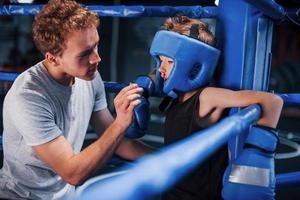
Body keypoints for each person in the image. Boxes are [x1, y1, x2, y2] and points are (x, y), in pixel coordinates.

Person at [0, 0, 152, 199]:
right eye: (85, 53)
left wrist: (173, 157)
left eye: (95, 46)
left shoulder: (89, 77)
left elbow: (116, 141)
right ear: (53, 58)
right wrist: (121, 123)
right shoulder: (29, 96)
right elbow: (73, 172)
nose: (97, 59)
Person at [149, 16, 283, 200]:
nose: (161, 68)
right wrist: (144, 86)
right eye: (160, 60)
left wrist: (257, 159)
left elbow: (273, 102)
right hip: (172, 189)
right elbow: (157, 74)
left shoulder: (206, 96)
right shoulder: (176, 95)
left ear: (193, 64)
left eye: (169, 62)